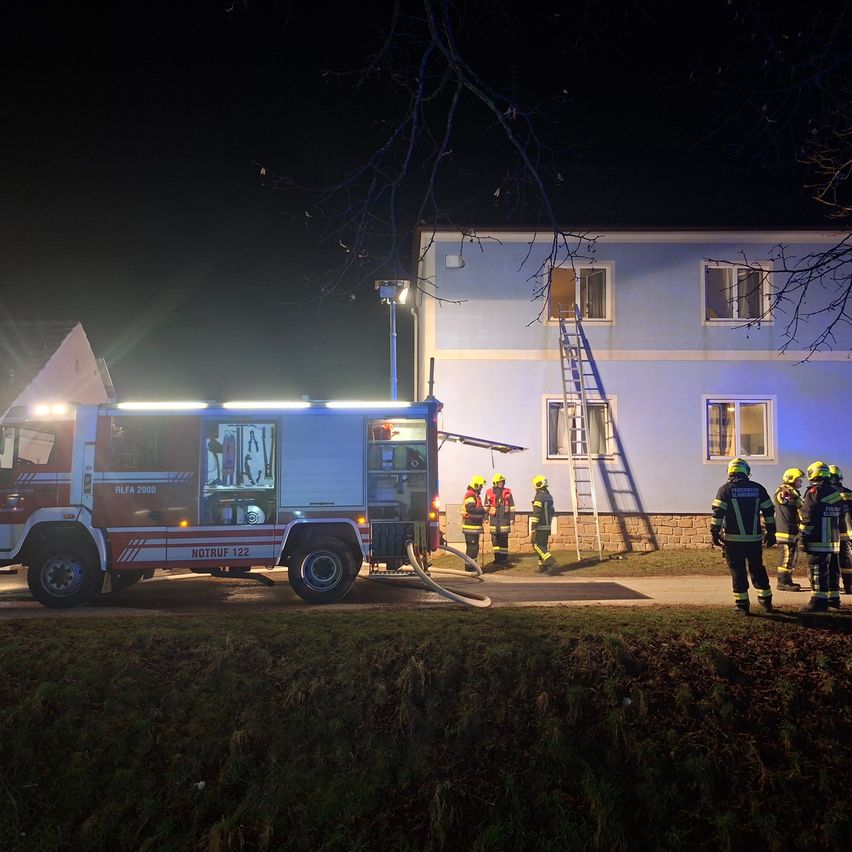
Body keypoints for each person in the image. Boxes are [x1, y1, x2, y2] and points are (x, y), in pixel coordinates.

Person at [711, 457, 776, 616]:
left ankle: (742, 605)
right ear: (746, 471)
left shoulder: (725, 490)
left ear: (730, 471)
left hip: (733, 540)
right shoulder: (758, 488)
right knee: (757, 568)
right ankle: (766, 602)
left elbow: (718, 514)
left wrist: (714, 532)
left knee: (738, 571)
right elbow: (768, 511)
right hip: (754, 540)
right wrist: (771, 531)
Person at [800, 461, 844, 612]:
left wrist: (803, 535)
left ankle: (818, 602)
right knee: (833, 570)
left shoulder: (814, 492)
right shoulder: (835, 492)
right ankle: (834, 599)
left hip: (818, 539)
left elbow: (808, 515)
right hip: (834, 540)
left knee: (817, 569)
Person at [773, 467, 805, 591]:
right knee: (787, 557)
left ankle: (787, 580)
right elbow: (801, 511)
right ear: (791, 479)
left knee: (791, 556)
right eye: (798, 480)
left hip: (790, 531)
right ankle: (782, 582)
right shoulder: (786, 491)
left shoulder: (792, 492)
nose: (800, 482)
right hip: (786, 532)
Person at [827, 465, 852, 595]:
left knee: (832, 561)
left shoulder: (824, 493)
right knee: (847, 559)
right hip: (846, 532)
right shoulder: (847, 492)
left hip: (830, 533)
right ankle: (849, 585)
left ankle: (832, 587)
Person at [484, 473, 515, 569]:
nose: (502, 483)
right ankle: (497, 558)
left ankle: (503, 560)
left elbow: (512, 506)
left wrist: (512, 518)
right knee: (494, 541)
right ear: (495, 483)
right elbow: (486, 506)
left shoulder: (507, 492)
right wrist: (485, 518)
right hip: (494, 520)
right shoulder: (489, 492)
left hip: (504, 520)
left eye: (502, 482)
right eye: (500, 482)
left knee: (503, 541)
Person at [530, 474, 559, 574]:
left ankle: (552, 562)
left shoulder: (539, 496)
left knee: (536, 545)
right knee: (543, 545)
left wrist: (533, 527)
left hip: (540, 526)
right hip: (547, 526)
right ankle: (542, 566)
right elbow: (552, 511)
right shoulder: (549, 496)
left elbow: (536, 513)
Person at [461, 475, 487, 570]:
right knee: (472, 548)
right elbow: (470, 509)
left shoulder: (475, 495)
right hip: (470, 526)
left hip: (474, 527)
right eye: (480, 486)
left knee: (474, 548)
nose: (481, 488)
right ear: (476, 485)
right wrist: (484, 510)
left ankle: (472, 567)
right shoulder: (470, 495)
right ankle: (470, 568)